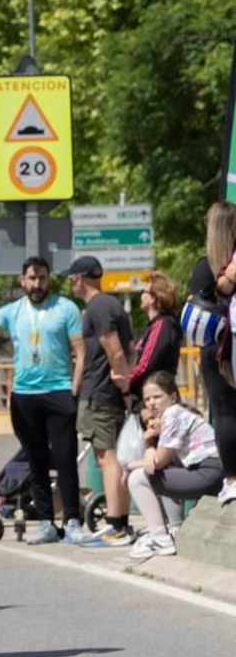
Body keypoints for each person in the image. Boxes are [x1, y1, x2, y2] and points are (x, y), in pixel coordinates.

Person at [0, 257, 85, 544]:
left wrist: (73, 390)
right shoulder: (11, 311)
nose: (37, 284)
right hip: (24, 396)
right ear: (22, 280)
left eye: (41, 278)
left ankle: (73, 519)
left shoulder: (66, 308)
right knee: (35, 461)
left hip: (59, 391)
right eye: (32, 278)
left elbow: (80, 351)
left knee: (65, 459)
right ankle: (46, 522)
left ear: (49, 279)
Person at [65, 255, 134, 544]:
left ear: (79, 279)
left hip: (101, 394)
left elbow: (116, 352)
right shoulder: (112, 304)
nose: (71, 286)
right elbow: (130, 350)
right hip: (110, 392)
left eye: (71, 280)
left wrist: (126, 388)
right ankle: (120, 521)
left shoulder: (97, 308)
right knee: (116, 457)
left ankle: (116, 524)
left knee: (107, 458)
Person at [127, 371, 224, 558]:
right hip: (213, 472)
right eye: (147, 399)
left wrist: (147, 444)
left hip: (209, 472)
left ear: (172, 397)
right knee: (163, 472)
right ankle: (175, 529)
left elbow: (156, 463)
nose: (151, 403)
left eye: (157, 396)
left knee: (137, 478)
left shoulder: (173, 414)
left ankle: (159, 538)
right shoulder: (172, 416)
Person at [192, 203, 236, 505]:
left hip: (214, 349)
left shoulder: (204, 266)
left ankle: (232, 479)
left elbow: (195, 307)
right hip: (228, 345)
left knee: (224, 413)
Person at [125, 271, 183, 400]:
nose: (141, 295)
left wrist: (124, 385)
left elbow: (145, 365)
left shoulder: (162, 324)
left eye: (143, 291)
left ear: (153, 298)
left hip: (157, 398)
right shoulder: (155, 325)